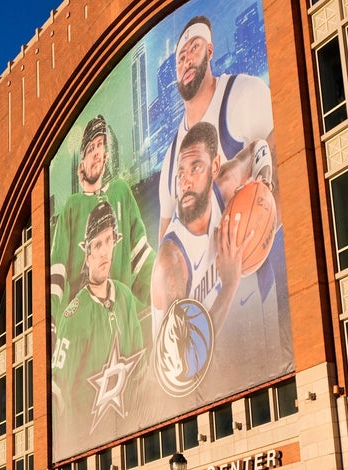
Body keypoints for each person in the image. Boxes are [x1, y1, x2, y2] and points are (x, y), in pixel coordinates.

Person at [151, 123, 285, 399]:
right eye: (181, 173)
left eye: (196, 168)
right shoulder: (171, 261)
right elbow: (182, 359)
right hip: (187, 382)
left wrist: (264, 181)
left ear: (214, 167)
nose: (186, 181)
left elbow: (258, 147)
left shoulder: (224, 184)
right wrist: (229, 283)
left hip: (240, 324)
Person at [157, 16, 277, 239]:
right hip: (212, 262)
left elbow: (284, 162)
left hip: (257, 254)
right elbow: (166, 246)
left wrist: (249, 241)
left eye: (195, 47)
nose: (187, 60)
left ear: (210, 51)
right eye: (181, 58)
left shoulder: (244, 93)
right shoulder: (170, 162)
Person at [51, 201, 147, 441]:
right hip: (86, 442)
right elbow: (57, 389)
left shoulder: (125, 296)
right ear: (87, 256)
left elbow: (140, 367)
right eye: (97, 244)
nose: (104, 251)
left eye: (108, 240)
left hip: (129, 431)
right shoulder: (73, 316)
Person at [51, 115, 154, 322]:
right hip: (85, 321)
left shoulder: (120, 191)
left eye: (100, 145)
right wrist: (52, 319)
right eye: (91, 148)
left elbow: (141, 254)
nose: (97, 152)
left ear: (106, 155)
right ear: (81, 163)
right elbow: (57, 268)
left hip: (121, 319)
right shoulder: (72, 206)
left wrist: (164, 284)